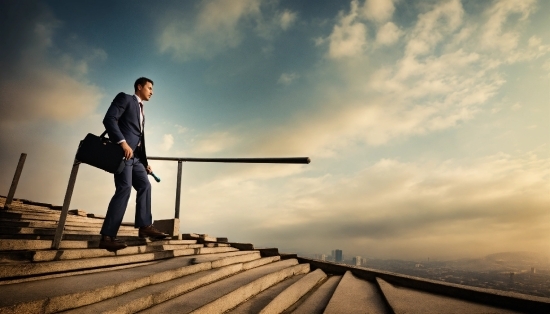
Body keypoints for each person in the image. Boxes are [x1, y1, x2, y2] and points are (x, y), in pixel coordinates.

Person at [99, 77, 168, 252]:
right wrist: (122, 142)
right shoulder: (125, 98)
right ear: (139, 87)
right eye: (149, 88)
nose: (152, 92)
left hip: (136, 158)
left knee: (145, 185)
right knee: (124, 189)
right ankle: (107, 237)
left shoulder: (142, 111)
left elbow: (138, 139)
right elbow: (109, 119)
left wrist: (145, 163)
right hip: (123, 154)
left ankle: (145, 226)